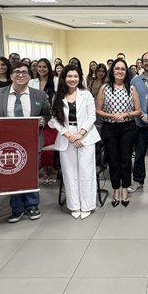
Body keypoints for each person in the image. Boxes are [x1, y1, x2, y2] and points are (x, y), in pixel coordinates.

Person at [0, 62, 50, 223]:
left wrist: (43, 120)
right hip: (7, 142)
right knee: (13, 173)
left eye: (24, 72)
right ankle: (17, 208)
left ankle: (32, 205)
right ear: (11, 75)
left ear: (30, 76)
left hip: (32, 141)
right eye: (17, 72)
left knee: (30, 173)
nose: (20, 75)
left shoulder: (39, 95)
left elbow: (47, 115)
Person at [49, 64, 101, 219]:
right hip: (66, 138)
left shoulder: (86, 95)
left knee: (86, 172)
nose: (72, 79)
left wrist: (80, 134)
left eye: (75, 76)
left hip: (85, 136)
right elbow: (54, 119)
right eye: (69, 76)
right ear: (64, 78)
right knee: (69, 173)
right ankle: (74, 205)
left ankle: (87, 205)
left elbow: (92, 117)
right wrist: (68, 135)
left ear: (80, 78)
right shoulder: (57, 96)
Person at [96, 59, 141, 207]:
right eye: (117, 69)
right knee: (113, 160)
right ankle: (115, 189)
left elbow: (138, 111)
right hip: (109, 128)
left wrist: (126, 114)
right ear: (112, 71)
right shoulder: (104, 88)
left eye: (123, 69)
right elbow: (98, 110)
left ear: (126, 71)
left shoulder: (132, 88)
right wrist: (111, 116)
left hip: (128, 127)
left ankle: (125, 189)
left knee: (126, 160)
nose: (120, 71)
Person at [128, 51, 148, 193]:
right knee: (139, 154)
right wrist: (142, 115)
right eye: (145, 60)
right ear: (141, 63)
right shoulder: (134, 81)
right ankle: (138, 181)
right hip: (139, 124)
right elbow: (130, 101)